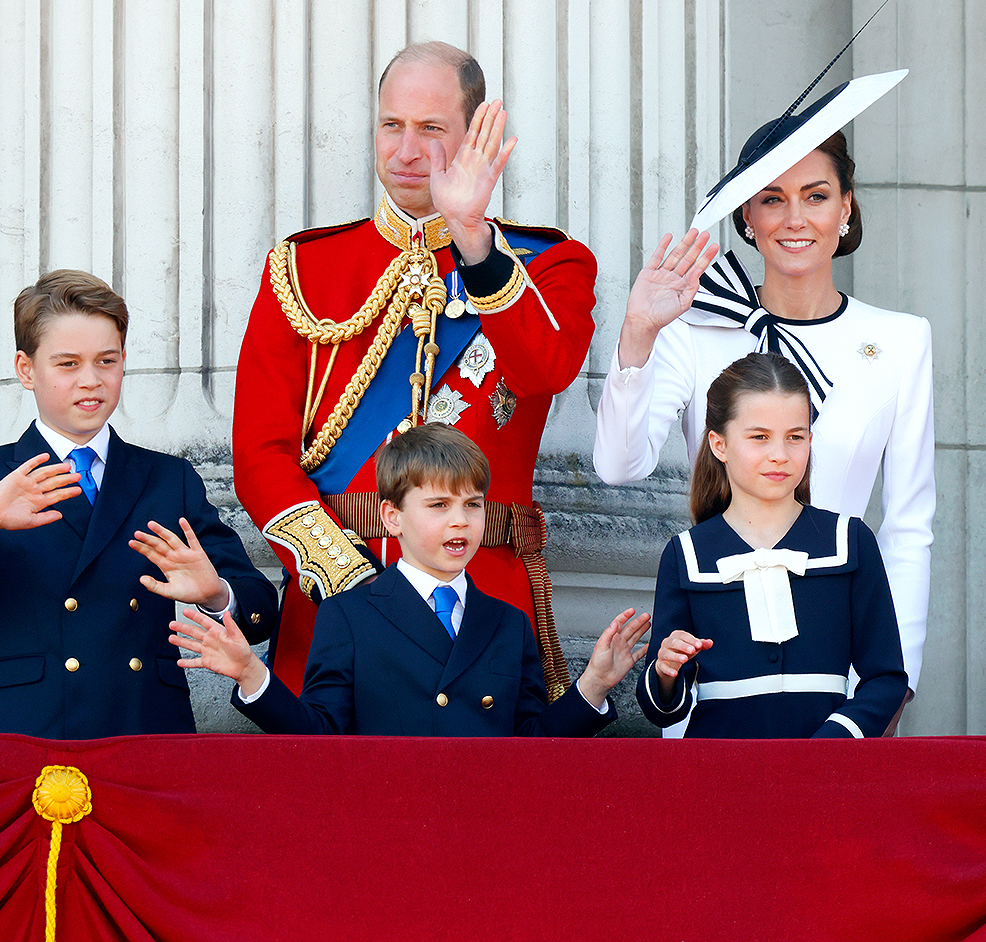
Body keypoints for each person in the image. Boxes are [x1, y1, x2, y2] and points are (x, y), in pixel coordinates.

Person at [232, 42, 597, 696]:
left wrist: (474, 241)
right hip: (336, 599)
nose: (405, 151)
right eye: (391, 125)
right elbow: (260, 452)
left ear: (477, 138)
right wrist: (350, 584)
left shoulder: (546, 265)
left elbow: (547, 369)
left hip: (481, 596)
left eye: (431, 130)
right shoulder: (302, 269)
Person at [594, 68, 934, 727]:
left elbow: (909, 526)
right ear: (747, 217)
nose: (795, 218)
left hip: (843, 654)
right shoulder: (693, 333)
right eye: (772, 199)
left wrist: (895, 684)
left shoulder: (899, 341)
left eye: (815, 195)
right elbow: (617, 466)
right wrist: (638, 333)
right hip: (717, 636)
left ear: (846, 207)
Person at [0, 271, 279, 739]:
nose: (91, 381)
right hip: (26, 730)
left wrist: (215, 595)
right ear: (26, 370)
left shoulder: (169, 480)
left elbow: (259, 613)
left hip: (143, 725)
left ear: (124, 361)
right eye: (67, 364)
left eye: (106, 360)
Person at [174, 424, 650, 736]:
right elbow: (320, 736)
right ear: (392, 517)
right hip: (387, 834)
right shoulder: (350, 614)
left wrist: (593, 686)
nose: (460, 522)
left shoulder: (507, 622)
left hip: (485, 834)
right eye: (439, 507)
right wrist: (253, 675)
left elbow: (530, 746)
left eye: (472, 505)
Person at [639, 354, 907, 738]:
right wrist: (665, 672)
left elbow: (886, 678)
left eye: (795, 437)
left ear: (810, 440)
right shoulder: (686, 553)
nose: (780, 454)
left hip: (826, 776)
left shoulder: (850, 541)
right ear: (719, 444)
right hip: (720, 774)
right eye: (759, 437)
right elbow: (661, 711)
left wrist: (832, 744)